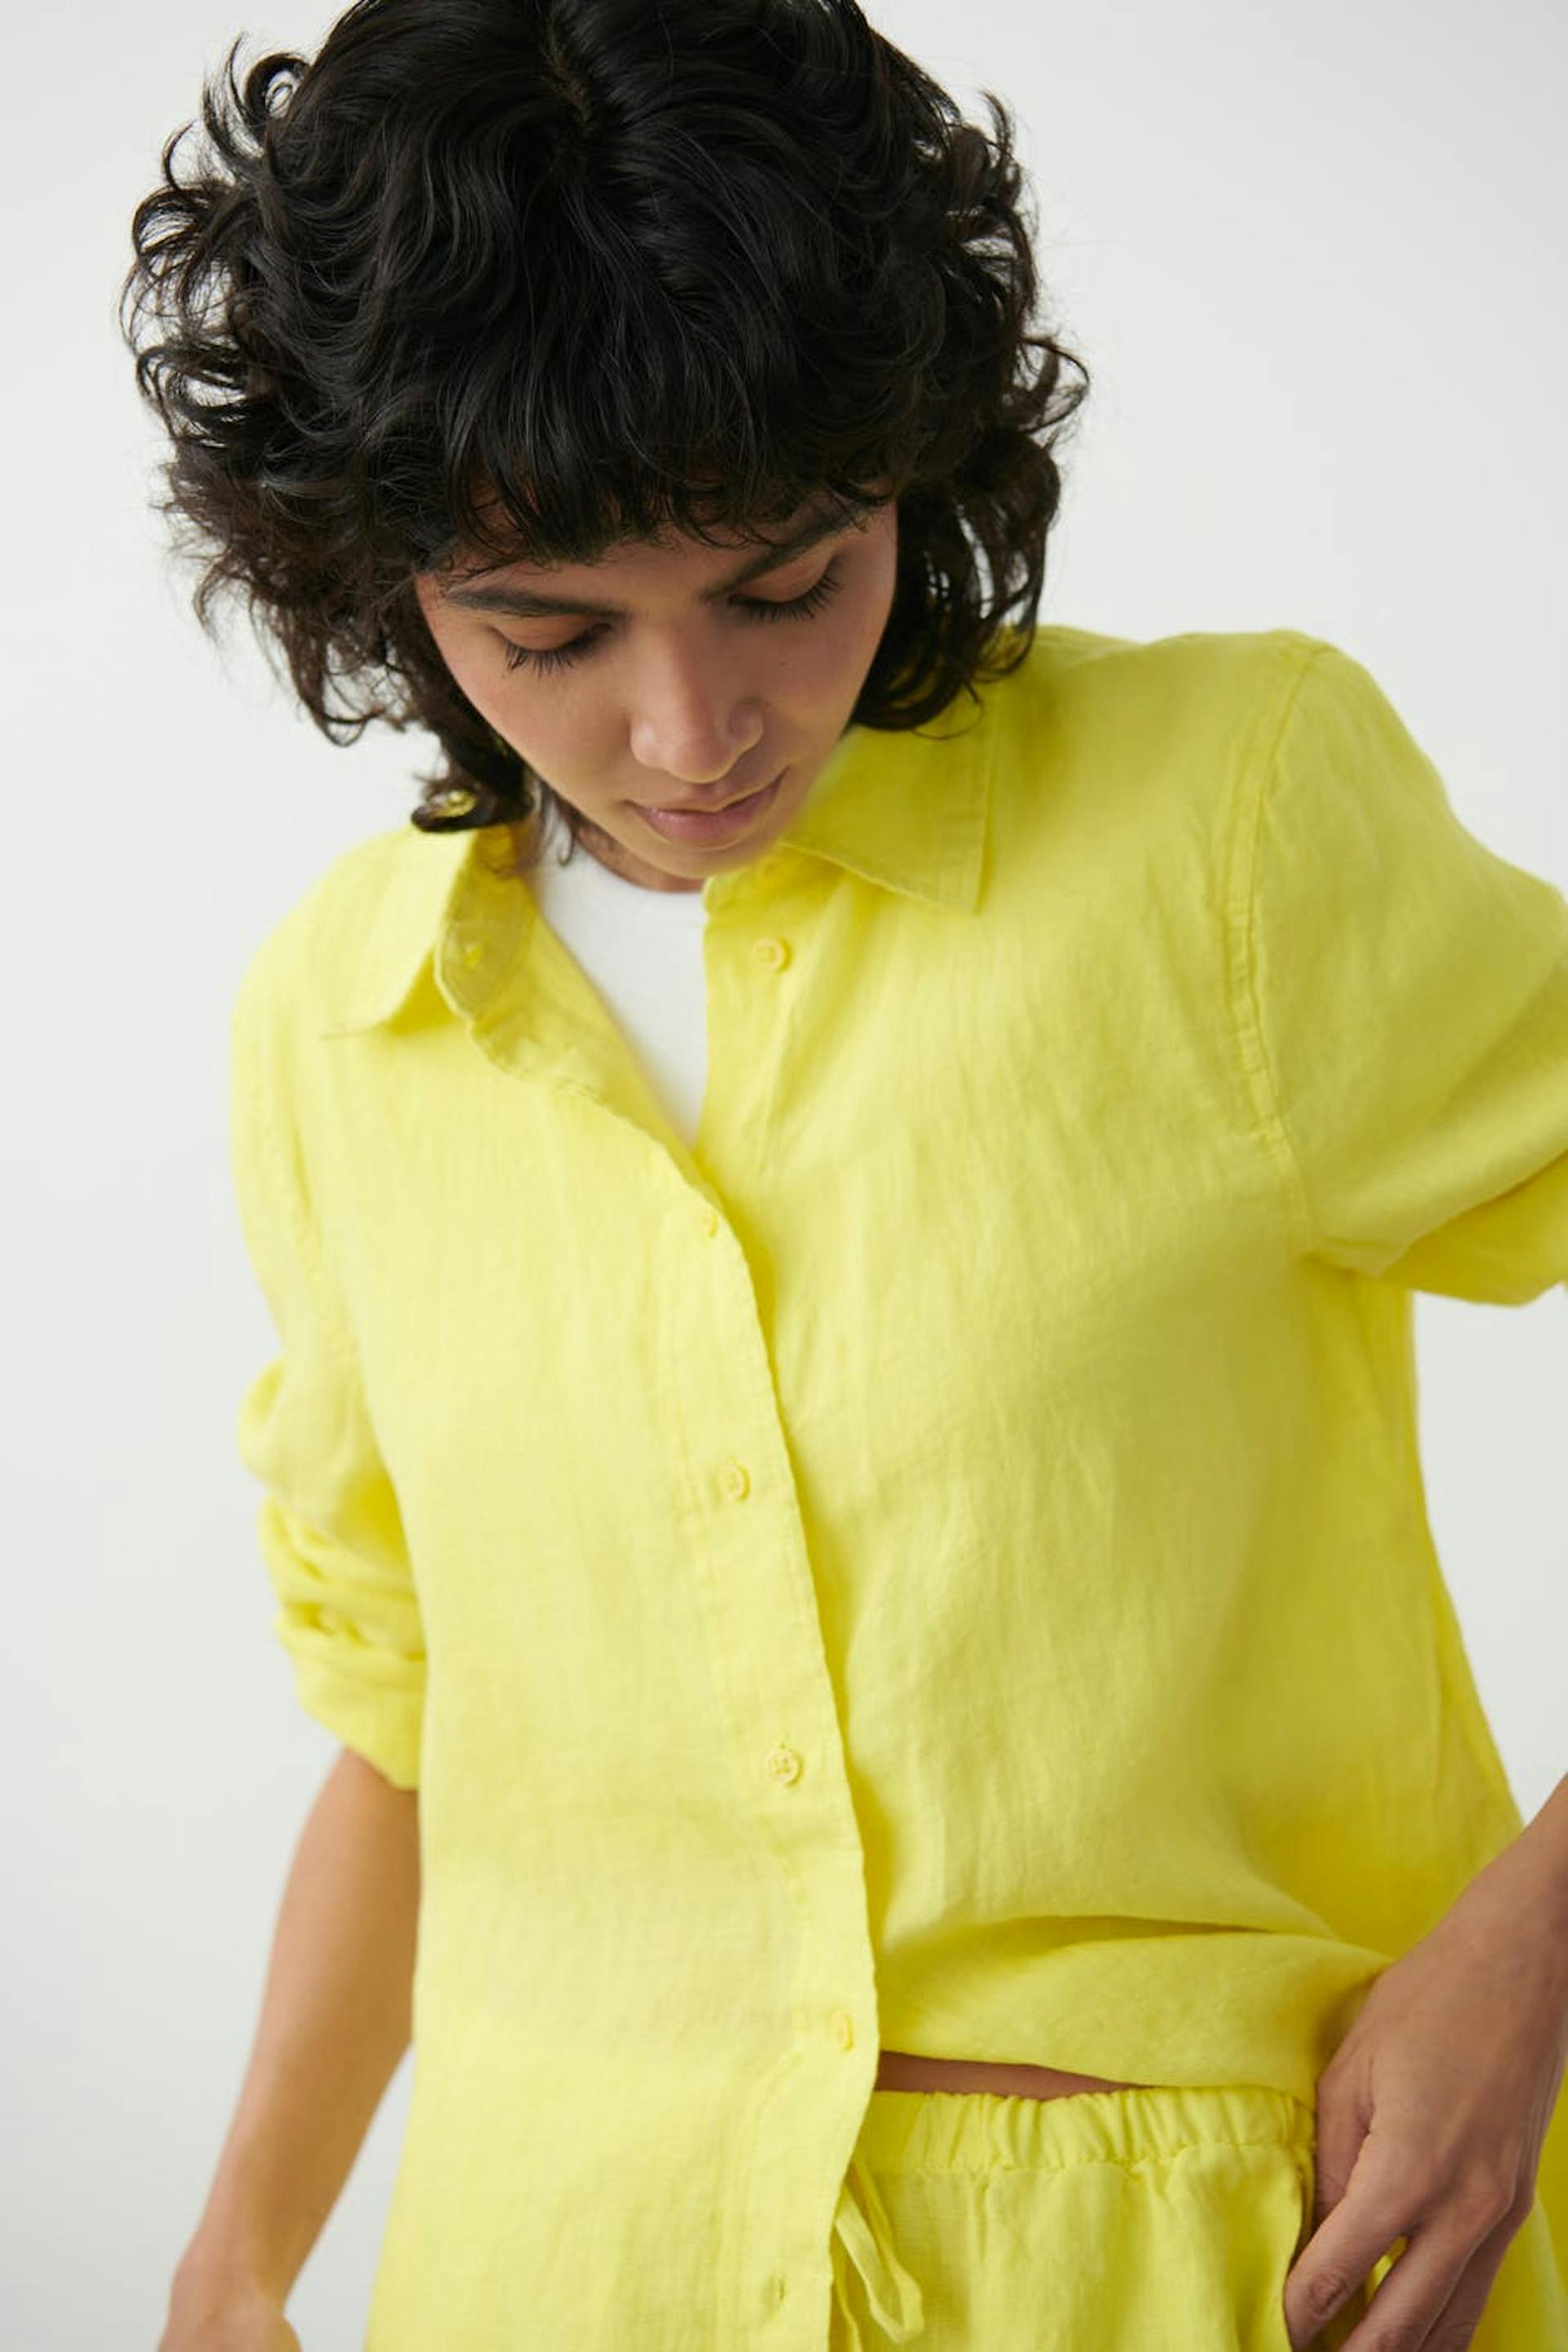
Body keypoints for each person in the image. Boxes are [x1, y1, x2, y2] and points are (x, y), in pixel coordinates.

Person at [120, 2, 1568, 2347]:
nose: (688, 731)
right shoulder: (342, 1026)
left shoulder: (1223, 825)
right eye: (546, 631)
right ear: (380, 584)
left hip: (1199, 2275)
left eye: (785, 584)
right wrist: (234, 2258)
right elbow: (413, 1731)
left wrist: (1535, 1949)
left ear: (913, 464)